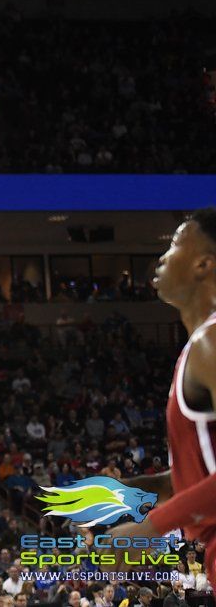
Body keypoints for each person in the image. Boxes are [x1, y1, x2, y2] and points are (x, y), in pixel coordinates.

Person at [106, 209, 216, 575]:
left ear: (203, 264)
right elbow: (199, 477)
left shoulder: (212, 340)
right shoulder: (197, 346)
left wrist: (150, 527)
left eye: (175, 244)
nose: (163, 257)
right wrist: (130, 490)